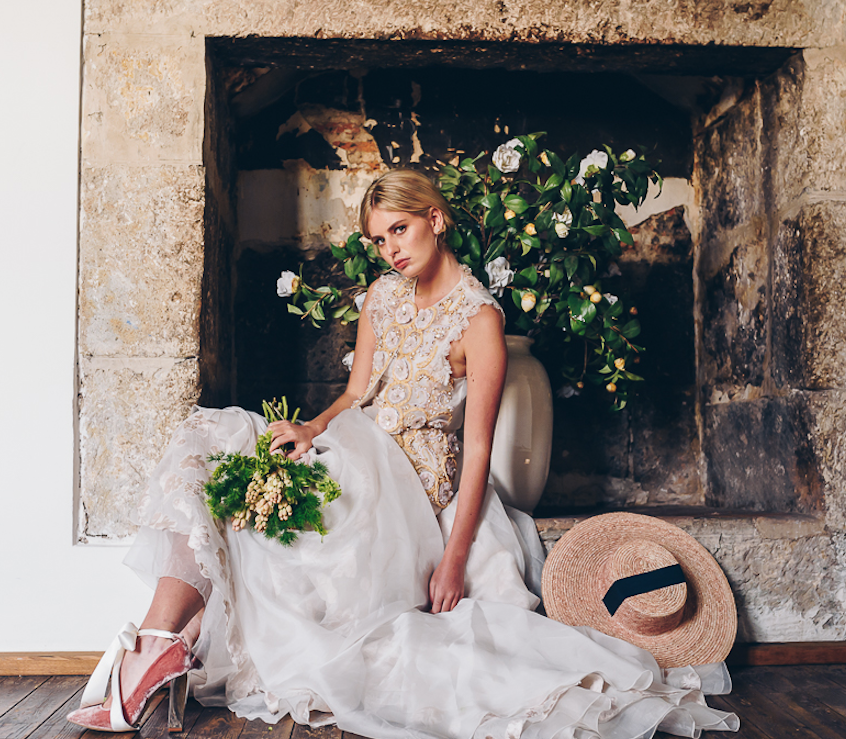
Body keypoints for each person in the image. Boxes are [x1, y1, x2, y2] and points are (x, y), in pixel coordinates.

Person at [68, 170, 738, 738]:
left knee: (262, 525)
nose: (388, 249)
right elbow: (357, 391)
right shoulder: (383, 298)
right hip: (354, 452)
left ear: (436, 219)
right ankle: (159, 644)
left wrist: (452, 560)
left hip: (415, 487)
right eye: (377, 238)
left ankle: (153, 660)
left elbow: (478, 449)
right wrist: (311, 425)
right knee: (222, 458)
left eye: (399, 230)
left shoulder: (479, 322)